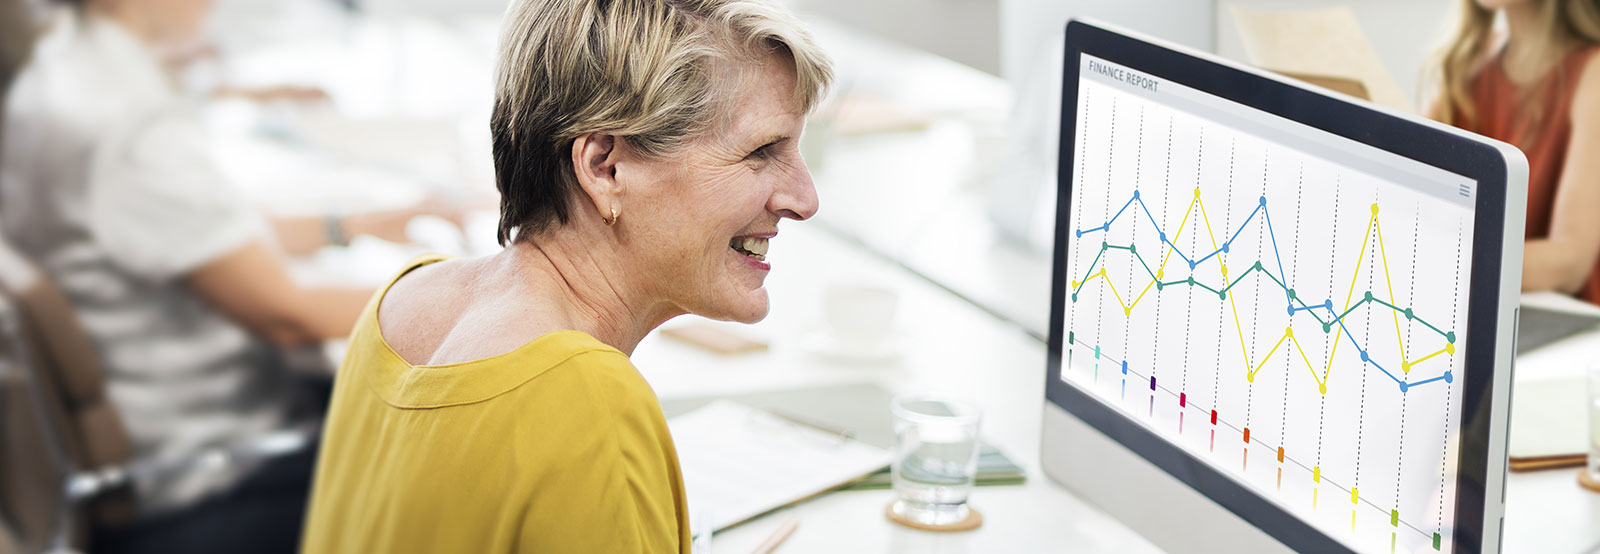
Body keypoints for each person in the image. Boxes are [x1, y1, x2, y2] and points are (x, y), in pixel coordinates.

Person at [298, 0, 832, 551]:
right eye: (761, 150)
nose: (804, 198)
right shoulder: (586, 401)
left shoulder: (403, 300)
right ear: (605, 167)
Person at [0, 0, 448, 552]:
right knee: (475, 458)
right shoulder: (124, 119)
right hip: (209, 478)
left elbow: (199, 237)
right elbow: (288, 315)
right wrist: (478, 291)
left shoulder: (63, 71)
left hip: (149, 444)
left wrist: (351, 224)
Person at [1429, 0, 1600, 299]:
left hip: (1564, 324)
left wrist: (1444, 265)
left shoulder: (1592, 73)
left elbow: (1570, 261)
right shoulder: (1463, 63)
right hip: (1476, 299)